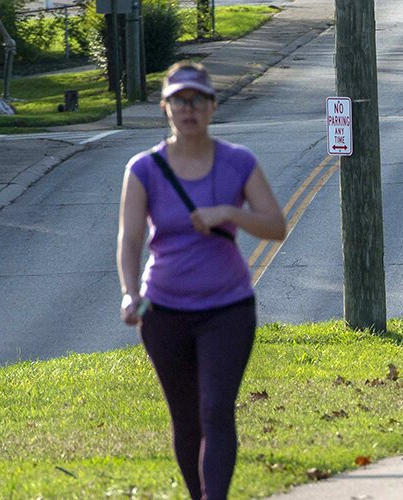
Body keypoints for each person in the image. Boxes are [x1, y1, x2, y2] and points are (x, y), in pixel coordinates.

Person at [116, 62, 286, 500]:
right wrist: (129, 292)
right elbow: (131, 238)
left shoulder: (239, 162)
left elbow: (275, 225)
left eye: (197, 100)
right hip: (164, 312)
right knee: (186, 418)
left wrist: (230, 213)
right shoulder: (144, 169)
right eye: (178, 100)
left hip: (227, 309)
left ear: (212, 107)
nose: (188, 108)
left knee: (215, 409)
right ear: (165, 109)